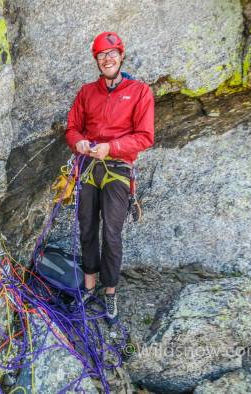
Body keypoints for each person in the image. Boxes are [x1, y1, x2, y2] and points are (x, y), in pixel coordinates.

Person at [65, 31, 154, 321]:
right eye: (102, 55)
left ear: (121, 55)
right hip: (88, 167)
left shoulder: (140, 91)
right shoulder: (87, 92)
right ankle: (89, 288)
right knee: (87, 227)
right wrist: (77, 141)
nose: (107, 59)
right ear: (97, 60)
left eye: (112, 53)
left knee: (112, 233)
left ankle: (110, 293)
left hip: (117, 169)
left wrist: (112, 147)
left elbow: (145, 137)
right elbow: (72, 128)